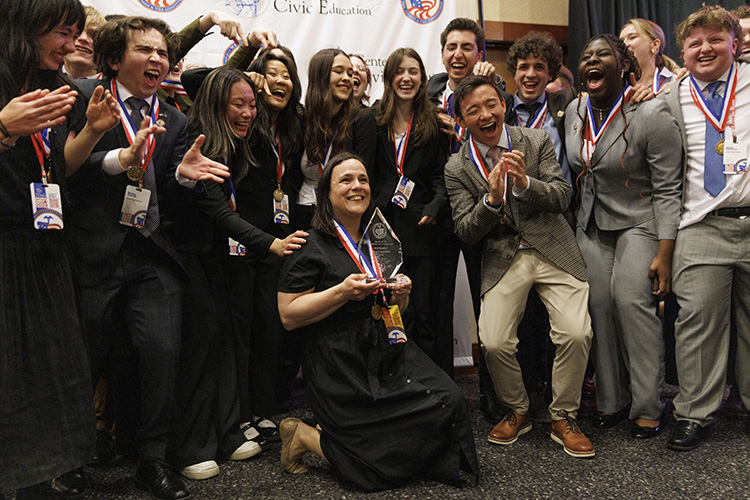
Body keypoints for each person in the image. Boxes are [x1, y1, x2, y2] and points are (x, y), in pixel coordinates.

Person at [67, 16, 230, 500]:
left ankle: (152, 459)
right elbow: (62, 170)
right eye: (146, 50)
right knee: (85, 359)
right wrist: (121, 160)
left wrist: (182, 177)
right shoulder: (82, 96)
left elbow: (175, 206)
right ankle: (71, 458)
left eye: (163, 52)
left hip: (151, 253)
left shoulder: (176, 118)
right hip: (92, 252)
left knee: (163, 351)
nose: (158, 59)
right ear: (115, 59)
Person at [277, 152, 479, 491]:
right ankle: (303, 436)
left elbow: (390, 307)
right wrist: (341, 292)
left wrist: (401, 296)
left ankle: (381, 448)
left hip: (385, 347)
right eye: (346, 180)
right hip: (337, 363)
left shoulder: (380, 239)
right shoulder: (308, 244)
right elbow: (287, 316)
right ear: (326, 192)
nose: (357, 186)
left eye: (363, 180)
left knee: (450, 401)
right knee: (371, 472)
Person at [0, 0, 120, 496]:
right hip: (4, 252)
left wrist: (92, 131)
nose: (73, 45)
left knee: (44, 381)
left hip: (43, 247)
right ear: (31, 24)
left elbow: (54, 168)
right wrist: (3, 129)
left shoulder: (52, 85)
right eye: (65, 33)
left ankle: (33, 476)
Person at [166, 67, 306, 480]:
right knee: (201, 347)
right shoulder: (197, 140)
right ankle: (192, 445)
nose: (248, 113)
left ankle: (226, 432)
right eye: (238, 104)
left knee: (225, 343)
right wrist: (272, 244)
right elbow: (216, 210)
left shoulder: (236, 143)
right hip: (186, 257)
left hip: (219, 258)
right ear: (216, 103)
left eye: (251, 104)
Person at [445, 75, 594, 458]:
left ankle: (564, 415)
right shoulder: (456, 167)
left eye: (490, 104)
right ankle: (519, 408)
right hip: (503, 256)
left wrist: (526, 183)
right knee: (493, 341)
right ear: (462, 120)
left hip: (552, 248)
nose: (485, 114)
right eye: (473, 110)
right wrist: (491, 202)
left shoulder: (536, 140)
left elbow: (562, 196)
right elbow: (465, 230)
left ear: (504, 104)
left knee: (576, 333)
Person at [565, 34, 682, 439]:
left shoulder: (651, 112)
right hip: (592, 223)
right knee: (597, 304)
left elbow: (668, 189)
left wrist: (665, 251)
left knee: (630, 302)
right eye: (585, 56)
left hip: (641, 221)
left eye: (602, 55)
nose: (591, 61)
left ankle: (649, 405)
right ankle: (612, 401)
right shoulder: (575, 109)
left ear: (624, 67)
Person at [660, 5, 750, 450]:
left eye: (715, 39)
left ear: (735, 43)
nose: (705, 48)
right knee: (696, 323)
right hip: (700, 225)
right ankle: (695, 413)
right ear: (683, 51)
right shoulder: (669, 98)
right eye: (694, 43)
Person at [427, 16, 513, 425]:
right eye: (451, 47)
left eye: (467, 47)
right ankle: (444, 397)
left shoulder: (493, 93)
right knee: (439, 308)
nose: (458, 54)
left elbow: (512, 132)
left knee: (489, 305)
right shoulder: (425, 93)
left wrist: (497, 85)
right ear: (442, 54)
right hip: (439, 221)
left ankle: (495, 396)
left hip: (486, 215)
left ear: (479, 54)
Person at [354, 47, 451, 373]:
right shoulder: (370, 120)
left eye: (413, 71)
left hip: (421, 229)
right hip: (380, 231)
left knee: (422, 312)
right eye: (400, 71)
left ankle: (428, 383)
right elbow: (362, 173)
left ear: (423, 78)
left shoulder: (434, 122)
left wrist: (436, 206)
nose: (406, 78)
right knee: (388, 310)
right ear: (389, 77)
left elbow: (440, 175)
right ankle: (392, 380)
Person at [503, 30, 578, 424]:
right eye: (524, 67)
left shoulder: (566, 105)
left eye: (539, 68)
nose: (530, 74)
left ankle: (558, 397)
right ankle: (524, 396)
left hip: (557, 221)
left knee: (560, 319)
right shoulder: (498, 109)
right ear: (513, 71)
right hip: (512, 229)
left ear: (551, 73)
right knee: (521, 320)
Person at [296, 48, 356, 230]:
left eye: (350, 73)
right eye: (338, 71)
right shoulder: (300, 120)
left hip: (342, 215)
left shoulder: (359, 123)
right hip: (303, 211)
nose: (347, 78)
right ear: (320, 75)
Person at [619, 18, 680, 94]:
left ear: (655, 44)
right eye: (621, 41)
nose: (625, 44)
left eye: (632, 37)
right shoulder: (619, 87)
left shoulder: (675, 82)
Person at [62, 5, 105, 79]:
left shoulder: (114, 87)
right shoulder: (39, 79)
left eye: (93, 35)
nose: (83, 38)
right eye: (76, 32)